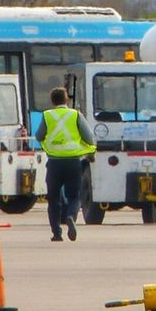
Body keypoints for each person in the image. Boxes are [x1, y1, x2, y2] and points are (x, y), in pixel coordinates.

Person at [36, 87, 95, 242]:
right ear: (67, 100)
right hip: (73, 162)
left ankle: (56, 233)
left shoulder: (47, 115)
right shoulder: (76, 115)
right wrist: (90, 153)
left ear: (52, 101)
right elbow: (90, 138)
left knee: (53, 198)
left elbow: (39, 135)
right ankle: (71, 217)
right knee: (74, 196)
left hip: (54, 162)